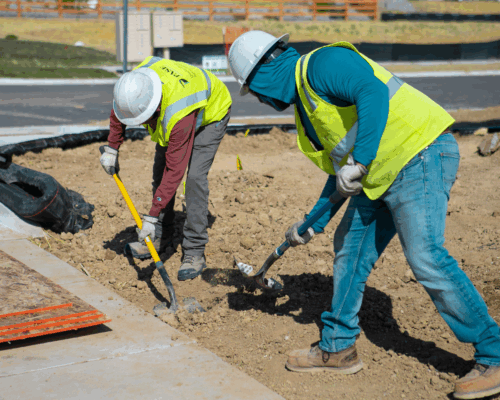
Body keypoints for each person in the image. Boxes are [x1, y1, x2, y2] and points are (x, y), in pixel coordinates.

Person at [228, 31, 500, 399]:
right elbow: (340, 171)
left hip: (419, 153)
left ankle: (494, 354)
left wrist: (361, 161)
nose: (259, 99)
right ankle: (338, 346)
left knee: (425, 256)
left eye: (254, 90)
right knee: (350, 246)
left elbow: (371, 93)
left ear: (266, 70)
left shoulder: (322, 64)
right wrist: (313, 222)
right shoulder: (307, 111)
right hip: (379, 173)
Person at [100, 56, 232, 281]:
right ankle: (161, 236)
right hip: (177, 105)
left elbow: (175, 171)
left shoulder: (176, 113)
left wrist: (150, 216)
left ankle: (194, 251)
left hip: (211, 113)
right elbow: (119, 110)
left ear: (154, 108)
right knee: (158, 173)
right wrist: (112, 147)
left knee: (194, 180)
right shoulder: (134, 85)